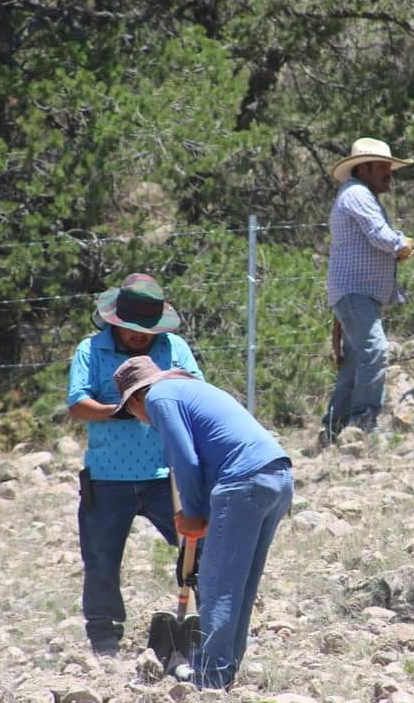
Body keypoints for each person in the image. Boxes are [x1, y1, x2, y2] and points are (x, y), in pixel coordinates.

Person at [112, 355, 294, 690]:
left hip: (243, 481)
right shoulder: (186, 389)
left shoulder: (159, 398)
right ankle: (223, 671)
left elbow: (185, 458)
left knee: (217, 586)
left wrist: (193, 513)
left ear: (137, 396)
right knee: (239, 584)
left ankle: (210, 678)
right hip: (277, 475)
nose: (137, 418)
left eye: (130, 410)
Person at [66, 273, 204, 657]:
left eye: (147, 329)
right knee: (101, 559)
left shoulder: (174, 348)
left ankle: (207, 623)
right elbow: (77, 404)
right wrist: (118, 411)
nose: (140, 336)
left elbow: (196, 393)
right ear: (115, 321)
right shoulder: (89, 351)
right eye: (132, 329)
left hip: (167, 476)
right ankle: (105, 637)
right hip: (108, 477)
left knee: (199, 547)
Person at [321, 137, 414, 440]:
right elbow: (380, 235)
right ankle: (363, 423)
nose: (389, 171)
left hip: (355, 293)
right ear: (363, 168)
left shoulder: (357, 194)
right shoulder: (358, 195)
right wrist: (400, 244)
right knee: (374, 351)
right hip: (356, 292)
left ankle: (333, 428)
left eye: (389, 166)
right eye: (382, 166)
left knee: (354, 364)